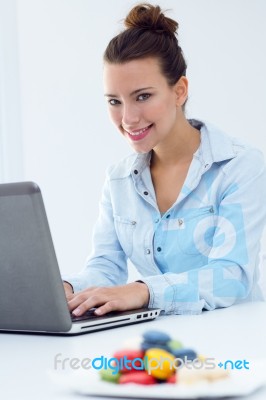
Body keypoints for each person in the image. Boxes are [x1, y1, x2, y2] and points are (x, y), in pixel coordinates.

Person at [63, 3, 266, 317]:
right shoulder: (119, 179)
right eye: (115, 101)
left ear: (180, 90)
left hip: (234, 344)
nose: (128, 118)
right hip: (160, 343)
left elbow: (231, 276)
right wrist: (67, 289)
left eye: (143, 96)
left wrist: (144, 291)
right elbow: (105, 268)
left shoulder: (239, 167)